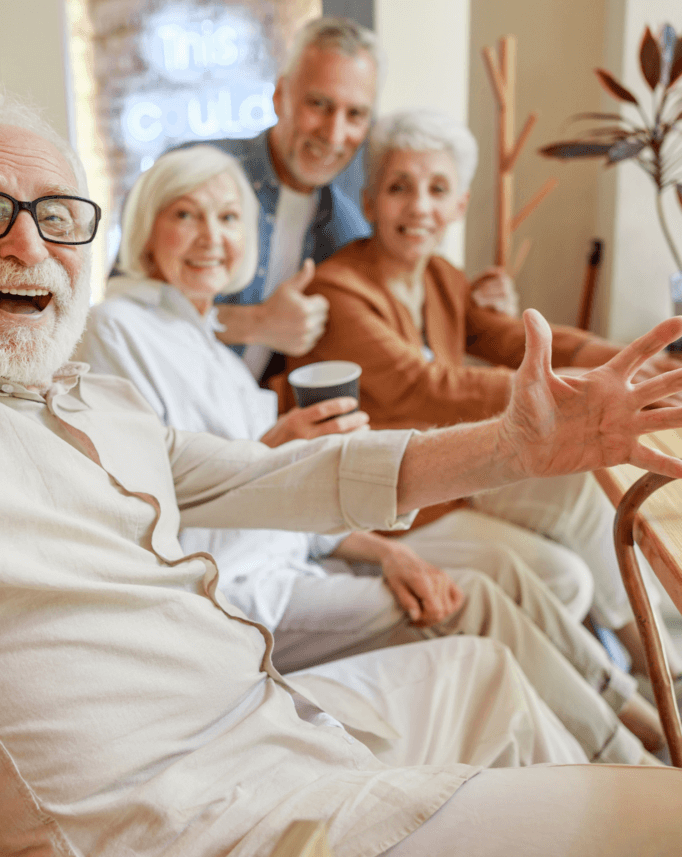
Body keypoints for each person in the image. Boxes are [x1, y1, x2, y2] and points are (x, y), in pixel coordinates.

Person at [0, 99, 682, 856]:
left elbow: (291, 474)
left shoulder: (89, 400)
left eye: (58, 217)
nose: (28, 242)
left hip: (275, 733)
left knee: (486, 674)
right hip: (208, 826)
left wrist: (516, 447)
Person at [78, 144, 664, 762]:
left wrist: (384, 552)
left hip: (305, 553)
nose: (211, 237)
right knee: (475, 601)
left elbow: (291, 508)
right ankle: (637, 760)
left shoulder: (213, 351)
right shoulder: (117, 329)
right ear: (146, 228)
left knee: (518, 562)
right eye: (185, 215)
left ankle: (643, 720)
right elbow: (156, 504)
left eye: (228, 219)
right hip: (236, 594)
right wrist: (273, 453)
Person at [289, 107, 682, 677]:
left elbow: (514, 339)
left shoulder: (440, 280)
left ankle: (654, 663)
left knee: (583, 492)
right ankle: (637, 681)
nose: (419, 206)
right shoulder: (340, 291)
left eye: (437, 189)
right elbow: (429, 387)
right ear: (370, 203)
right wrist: (578, 392)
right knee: (564, 578)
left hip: (453, 474)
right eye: (400, 188)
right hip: (388, 501)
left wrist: (629, 364)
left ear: (459, 205)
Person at [194, 15, 511, 381]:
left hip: (263, 426)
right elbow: (125, 308)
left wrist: (476, 307)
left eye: (356, 114)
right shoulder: (201, 174)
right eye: (318, 104)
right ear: (280, 96)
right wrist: (252, 323)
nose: (334, 133)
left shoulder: (348, 224)